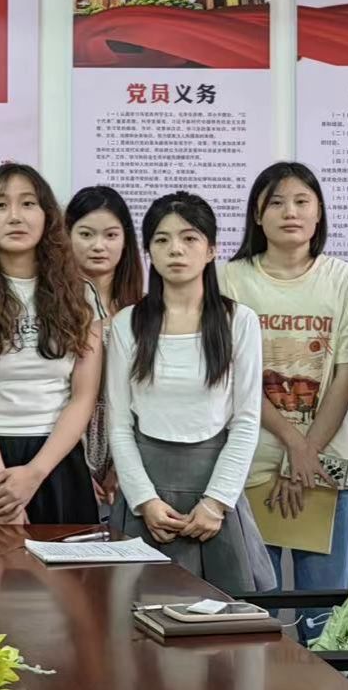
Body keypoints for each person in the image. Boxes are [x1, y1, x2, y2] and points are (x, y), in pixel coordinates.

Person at [221, 162, 348, 641]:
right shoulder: (229, 279)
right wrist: (294, 446)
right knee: (246, 620)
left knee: (324, 623)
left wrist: (306, 454)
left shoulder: (344, 280)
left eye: (302, 201)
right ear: (256, 214)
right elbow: (235, 378)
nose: (290, 212)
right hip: (246, 468)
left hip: (324, 470)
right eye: (277, 202)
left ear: (319, 211)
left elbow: (347, 375)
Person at [105, 191, 268, 594]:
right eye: (161, 240)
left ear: (211, 250)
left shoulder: (239, 321)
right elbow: (119, 424)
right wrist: (144, 501)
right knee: (136, 616)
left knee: (225, 617)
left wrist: (216, 503)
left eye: (189, 238)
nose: (175, 249)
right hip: (146, 494)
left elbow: (247, 421)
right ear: (149, 252)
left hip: (215, 493)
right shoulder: (128, 323)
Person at [0, 164, 101, 525]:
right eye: (0, 205)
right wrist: (4, 491)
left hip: (56, 460)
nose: (15, 216)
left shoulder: (81, 295)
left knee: (64, 563)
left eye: (28, 204)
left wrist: (35, 474)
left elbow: (83, 397)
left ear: (46, 216)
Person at [65, 185, 144, 510]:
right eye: (86, 234)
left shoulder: (144, 312)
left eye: (111, 235)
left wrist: (124, 464)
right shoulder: (51, 308)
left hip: (129, 449)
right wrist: (72, 464)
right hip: (62, 444)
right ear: (66, 237)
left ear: (125, 241)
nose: (99, 246)